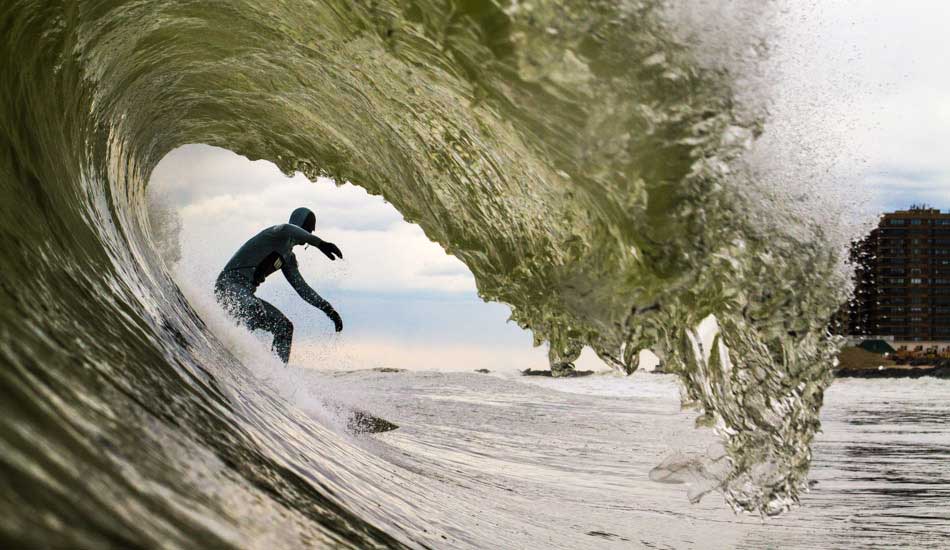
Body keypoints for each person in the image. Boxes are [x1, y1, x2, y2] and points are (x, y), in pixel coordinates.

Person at [214, 207, 343, 364]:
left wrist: (329, 310)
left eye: (311, 230)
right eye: (308, 228)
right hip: (228, 284)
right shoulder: (276, 233)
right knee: (254, 309)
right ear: (299, 224)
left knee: (284, 327)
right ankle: (234, 354)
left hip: (246, 294)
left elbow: (303, 289)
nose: (310, 233)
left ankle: (273, 371)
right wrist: (320, 244)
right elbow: (288, 228)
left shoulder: (288, 258)